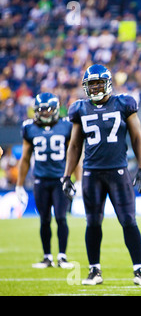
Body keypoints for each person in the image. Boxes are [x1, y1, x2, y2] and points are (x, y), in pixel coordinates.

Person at [62, 64, 141, 286]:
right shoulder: (80, 108)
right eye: (91, 84)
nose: (94, 88)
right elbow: (74, 146)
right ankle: (94, 271)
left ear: (108, 83)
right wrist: (67, 176)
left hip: (118, 171)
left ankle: (139, 270)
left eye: (98, 83)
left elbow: (137, 137)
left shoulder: (123, 103)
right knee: (92, 222)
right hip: (91, 173)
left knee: (129, 220)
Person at [16, 92, 74, 269]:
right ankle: (47, 257)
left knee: (61, 218)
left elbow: (74, 153)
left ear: (56, 110)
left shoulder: (66, 126)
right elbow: (25, 158)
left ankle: (62, 256)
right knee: (44, 219)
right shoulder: (29, 127)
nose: (45, 113)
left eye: (48, 110)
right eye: (41, 110)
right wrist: (19, 184)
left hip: (60, 180)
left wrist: (75, 180)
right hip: (40, 180)